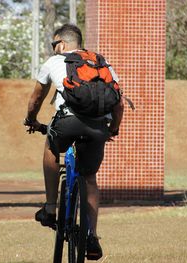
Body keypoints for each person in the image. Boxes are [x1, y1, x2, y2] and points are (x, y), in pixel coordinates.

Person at [24, 23, 123, 260]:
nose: (54, 47)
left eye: (54, 44)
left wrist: (31, 119)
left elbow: (37, 96)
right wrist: (113, 129)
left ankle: (50, 207)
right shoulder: (101, 62)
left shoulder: (54, 61)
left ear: (62, 44)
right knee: (89, 178)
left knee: (51, 146)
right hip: (99, 126)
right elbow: (118, 102)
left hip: (68, 121)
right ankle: (92, 236)